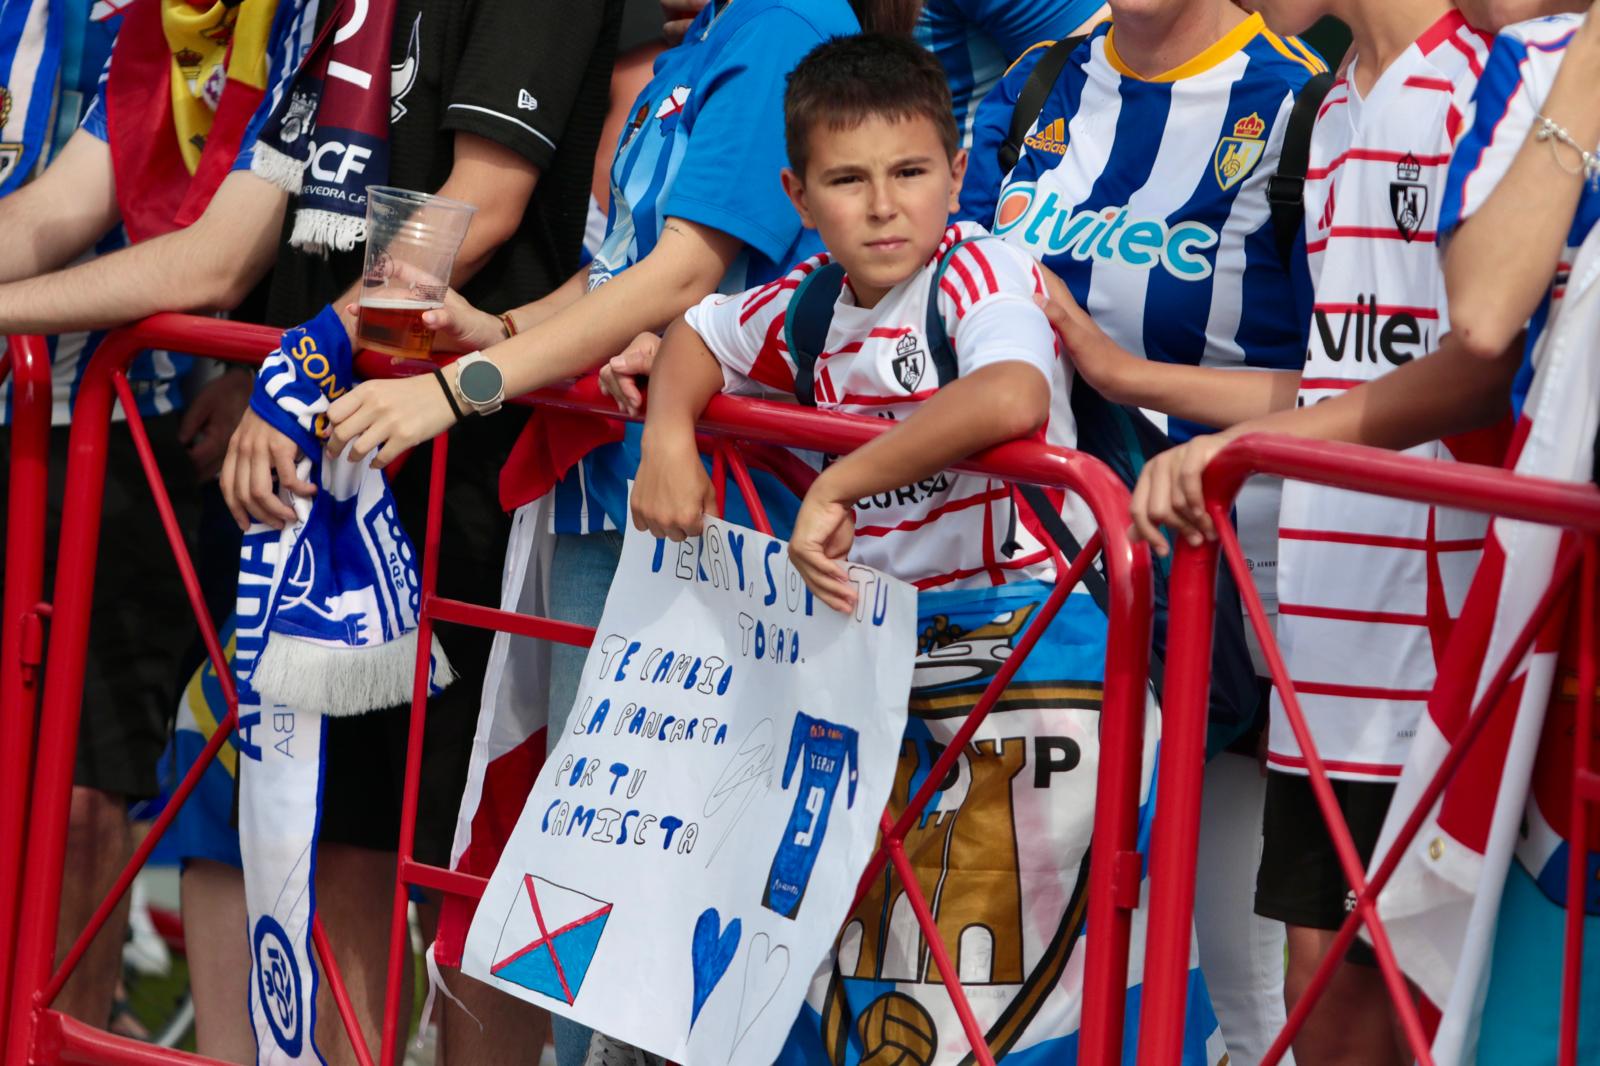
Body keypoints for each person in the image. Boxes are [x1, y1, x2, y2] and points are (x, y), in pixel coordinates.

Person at [309, 6, 900, 1060]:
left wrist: (459, 387)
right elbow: (620, 268)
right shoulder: (715, 30)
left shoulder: (786, 23)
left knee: (650, 942)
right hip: (614, 509)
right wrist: (500, 330)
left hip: (714, 530)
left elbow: (684, 274)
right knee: (591, 914)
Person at [1110, 1, 1517, 1062]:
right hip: (1326, 639)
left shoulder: (1487, 80)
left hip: (1440, 641)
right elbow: (1339, 374)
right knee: (1322, 993)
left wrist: (1247, 450)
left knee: (1410, 1004)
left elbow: (1481, 368)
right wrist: (1126, 379)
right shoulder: (1326, 108)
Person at [956, 3, 1324, 1059]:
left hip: (1220, 601)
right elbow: (935, 289)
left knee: (1244, 983)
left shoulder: (1297, 105)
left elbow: (1347, 386)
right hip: (1017, 589)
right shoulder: (1038, 82)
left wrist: (1124, 377)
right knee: (1010, 947)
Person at [0, 0, 312, 1045]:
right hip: (61, 406)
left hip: (129, 425)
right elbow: (52, 208)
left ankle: (50, 1043)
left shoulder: (262, 20)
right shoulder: (142, 28)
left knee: (88, 804)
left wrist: (257, 360)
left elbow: (216, 256)